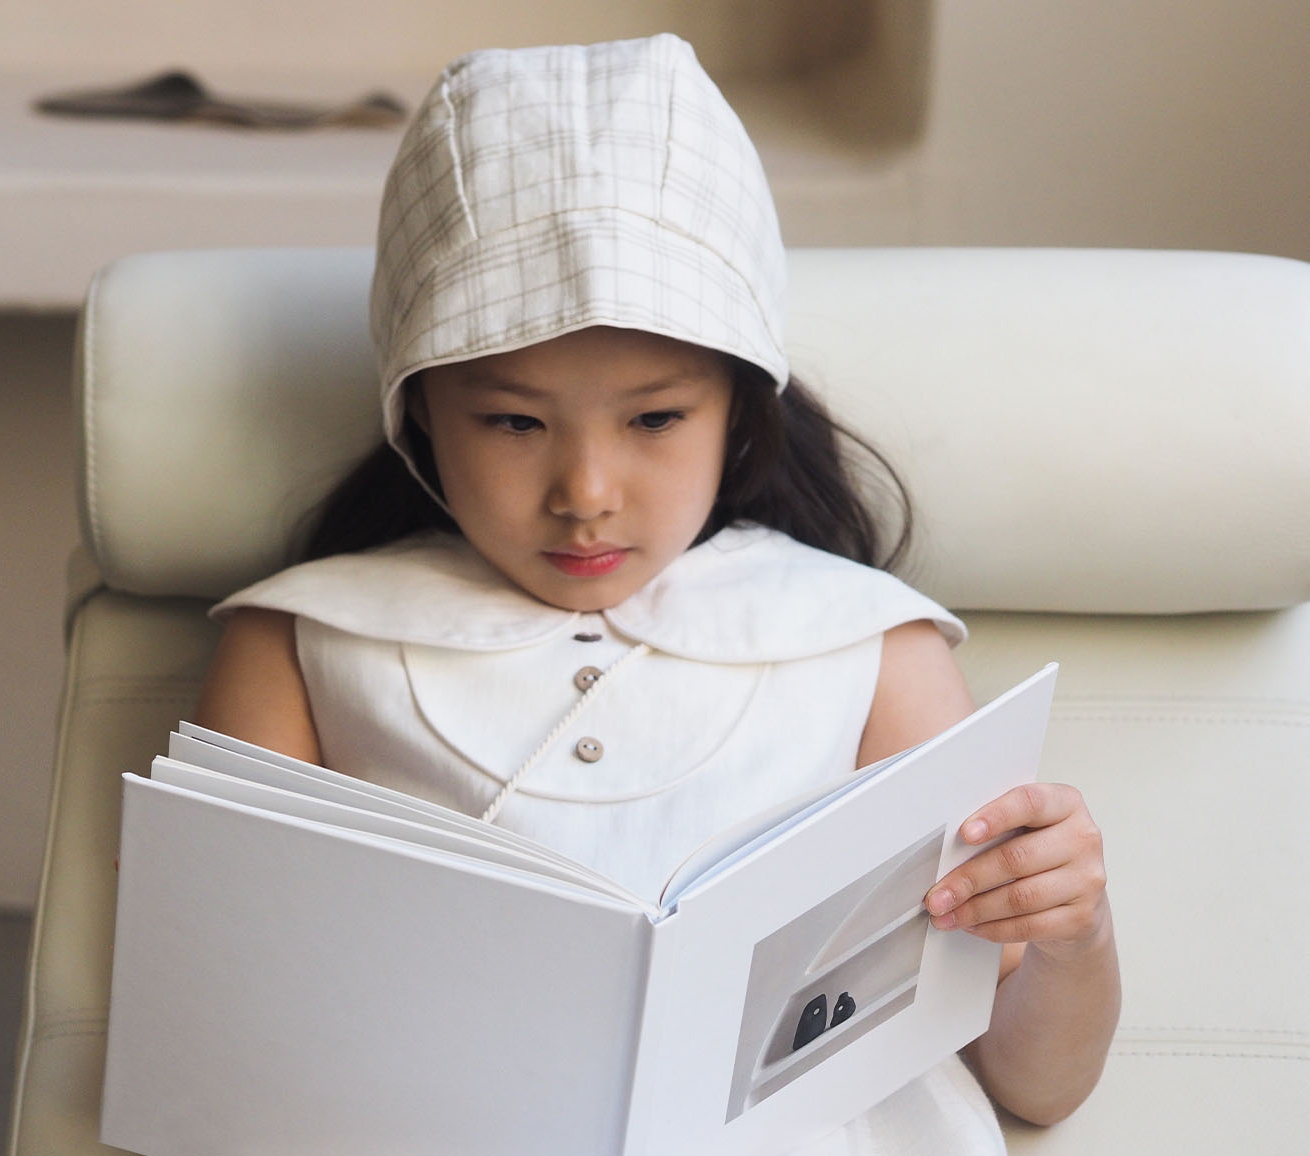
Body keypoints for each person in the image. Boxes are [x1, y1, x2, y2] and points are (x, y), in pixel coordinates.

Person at [193, 33, 1118, 1154]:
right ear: (419, 409)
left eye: (654, 419)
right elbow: (222, 1034)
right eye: (512, 421)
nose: (585, 494)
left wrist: (1072, 934)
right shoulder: (301, 639)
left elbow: (1035, 1087)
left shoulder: (870, 646)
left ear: (741, 407)